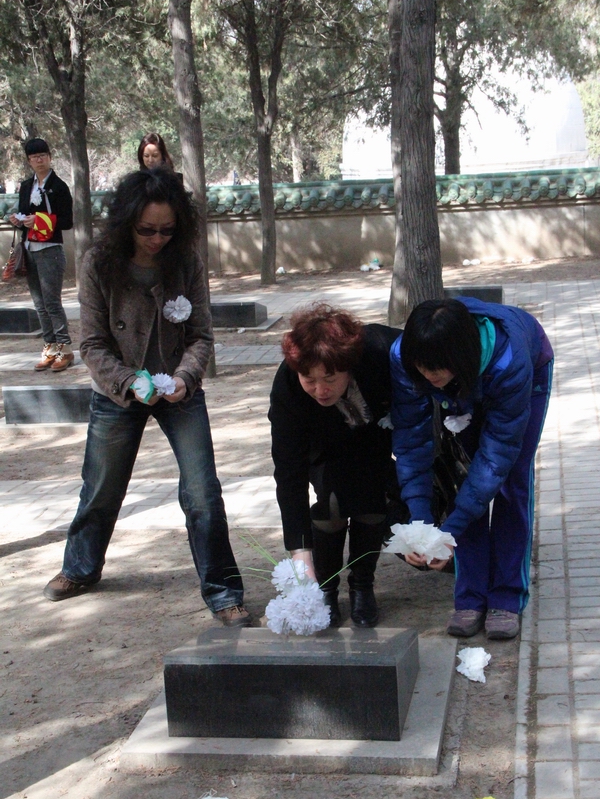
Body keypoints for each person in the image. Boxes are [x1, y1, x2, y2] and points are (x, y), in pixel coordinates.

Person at [42, 167, 251, 627]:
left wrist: (185, 377)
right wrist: (128, 381)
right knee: (101, 486)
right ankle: (80, 567)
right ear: (126, 223)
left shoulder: (186, 262)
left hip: (178, 389)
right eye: (146, 230)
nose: (157, 239)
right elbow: (92, 344)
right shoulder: (98, 263)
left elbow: (201, 335)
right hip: (117, 391)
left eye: (167, 230)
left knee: (203, 492)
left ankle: (223, 592)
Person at [390, 297, 553, 640]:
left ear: (460, 355)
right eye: (422, 368)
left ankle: (507, 597)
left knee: (509, 480)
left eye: (437, 368)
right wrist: (421, 524)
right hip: (465, 380)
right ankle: (470, 598)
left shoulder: (509, 361)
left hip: (521, 376)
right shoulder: (405, 357)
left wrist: (450, 530)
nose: (429, 375)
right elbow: (412, 441)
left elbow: (497, 455)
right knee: (463, 477)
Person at [269, 304, 403, 628]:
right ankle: (325, 586)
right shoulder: (288, 387)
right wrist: (300, 554)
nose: (320, 390)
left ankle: (362, 584)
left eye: (329, 379)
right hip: (323, 444)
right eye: (309, 380)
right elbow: (289, 472)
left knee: (371, 501)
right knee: (330, 502)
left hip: (374, 436)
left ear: (348, 367)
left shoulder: (378, 354)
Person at [9, 138, 74, 371]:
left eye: (42, 156)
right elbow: (23, 212)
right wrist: (19, 219)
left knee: (52, 302)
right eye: (34, 157)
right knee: (39, 303)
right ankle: (50, 347)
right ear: (29, 161)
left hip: (50, 249)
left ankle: (65, 349)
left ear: (49, 157)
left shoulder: (59, 186)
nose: (39, 160)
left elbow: (67, 221)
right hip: (29, 248)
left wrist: (40, 220)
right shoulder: (26, 186)